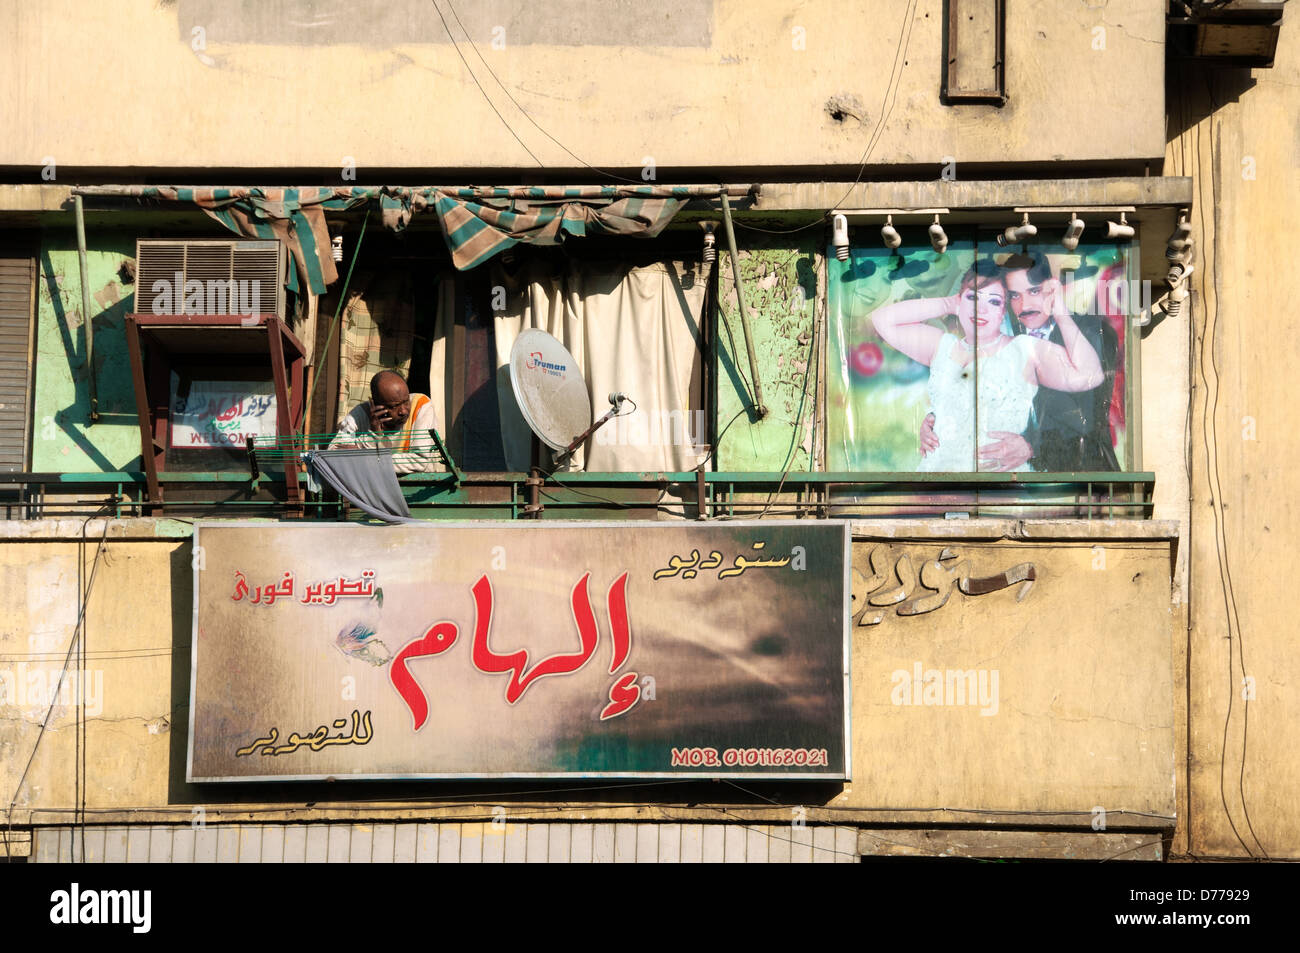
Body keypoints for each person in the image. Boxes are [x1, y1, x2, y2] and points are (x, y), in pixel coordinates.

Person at [871, 258, 1104, 473]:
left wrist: (1060, 312)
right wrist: (948, 303)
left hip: (1001, 488)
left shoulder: (1025, 349)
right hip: (937, 481)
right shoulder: (941, 346)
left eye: (994, 302)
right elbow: (881, 320)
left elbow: (1089, 376)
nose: (980, 310)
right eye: (973, 298)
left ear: (1003, 311)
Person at [328, 370, 443, 474]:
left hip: (419, 488)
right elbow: (333, 454)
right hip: (373, 490)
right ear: (376, 403)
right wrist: (372, 436)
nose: (403, 411)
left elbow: (419, 461)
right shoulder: (362, 413)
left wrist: (364, 455)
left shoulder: (420, 405)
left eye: (406, 401)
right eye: (394, 406)